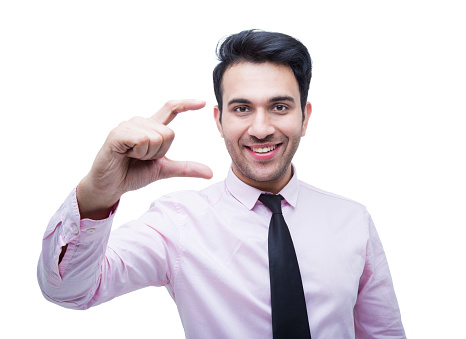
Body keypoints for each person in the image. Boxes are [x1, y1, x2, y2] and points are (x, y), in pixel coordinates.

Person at [37, 29, 406, 338]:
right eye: (242, 108)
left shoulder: (352, 220)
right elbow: (69, 291)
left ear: (304, 117)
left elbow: (383, 334)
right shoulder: (176, 223)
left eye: (279, 107)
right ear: (219, 120)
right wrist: (99, 193)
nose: (261, 129)